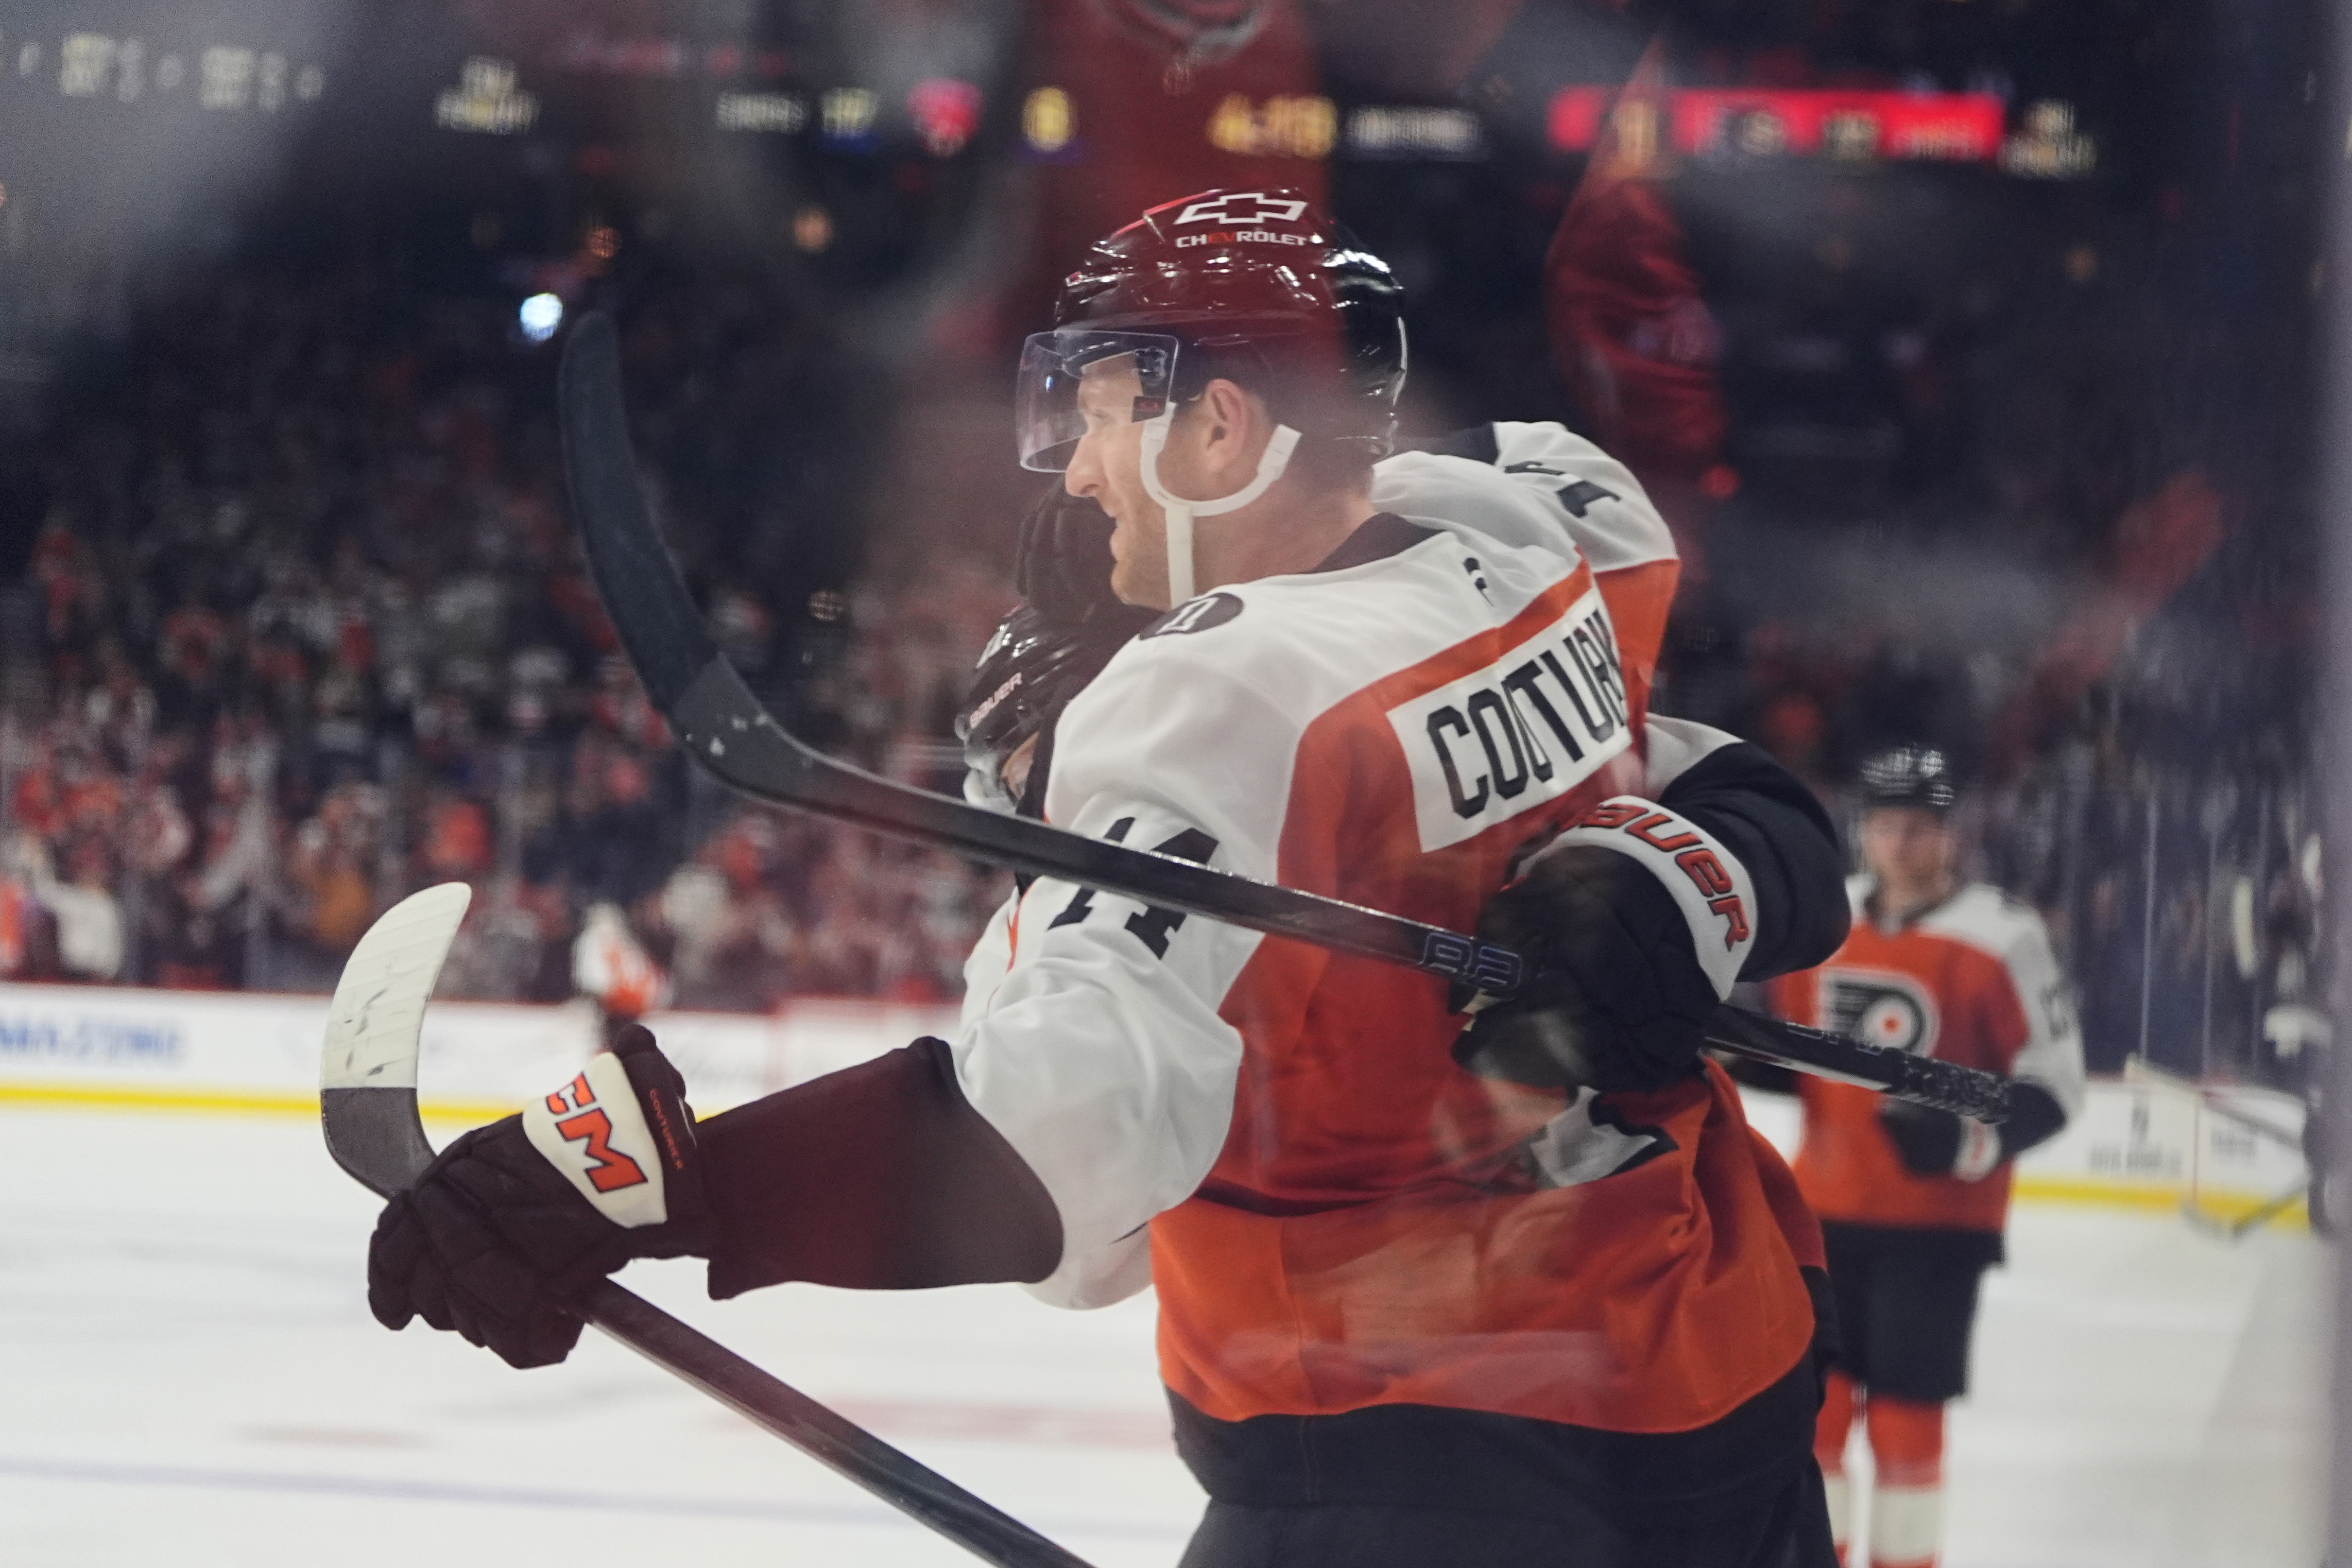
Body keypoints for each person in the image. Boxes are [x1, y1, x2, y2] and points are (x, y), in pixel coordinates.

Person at [367, 189, 1853, 1565]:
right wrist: (1695, 868)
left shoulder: (1218, 699)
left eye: (1096, 412)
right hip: (1732, 1384)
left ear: (1223, 426)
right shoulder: (1522, 523)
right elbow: (1720, 786)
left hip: (1427, 1465)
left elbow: (1064, 1133)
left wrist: (662, 1183)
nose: (1077, 470)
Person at [1760, 744, 2086, 1568]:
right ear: (1863, 830)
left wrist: (1966, 1142)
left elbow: (2055, 1086)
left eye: (1921, 826)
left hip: (1938, 1229)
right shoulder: (1825, 921)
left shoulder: (2003, 936)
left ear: (1951, 833)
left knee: (1906, 1423)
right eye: (1887, 824)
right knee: (1817, 1417)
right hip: (1822, 1214)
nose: (1902, 842)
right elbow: (1793, 1055)